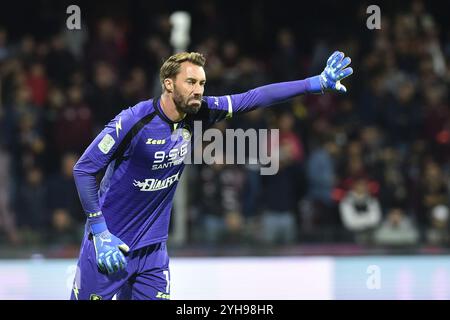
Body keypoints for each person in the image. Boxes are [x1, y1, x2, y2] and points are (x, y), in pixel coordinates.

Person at [71, 51, 353, 300]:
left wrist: (313, 84)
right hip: (110, 245)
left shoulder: (200, 113)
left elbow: (254, 97)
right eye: (191, 82)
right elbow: (84, 169)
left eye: (202, 83)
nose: (199, 90)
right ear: (169, 84)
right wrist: (99, 231)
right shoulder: (134, 120)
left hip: (153, 252)